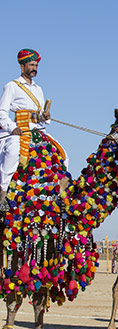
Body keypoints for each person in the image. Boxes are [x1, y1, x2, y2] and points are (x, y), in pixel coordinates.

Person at [0, 49, 53, 210]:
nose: (34, 68)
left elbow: (41, 116)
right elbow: (2, 111)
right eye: (31, 65)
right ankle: (2, 193)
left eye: (36, 65)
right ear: (22, 66)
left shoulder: (38, 89)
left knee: (60, 154)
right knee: (12, 151)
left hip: (37, 131)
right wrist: (12, 128)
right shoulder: (12, 86)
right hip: (18, 130)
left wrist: (44, 116)